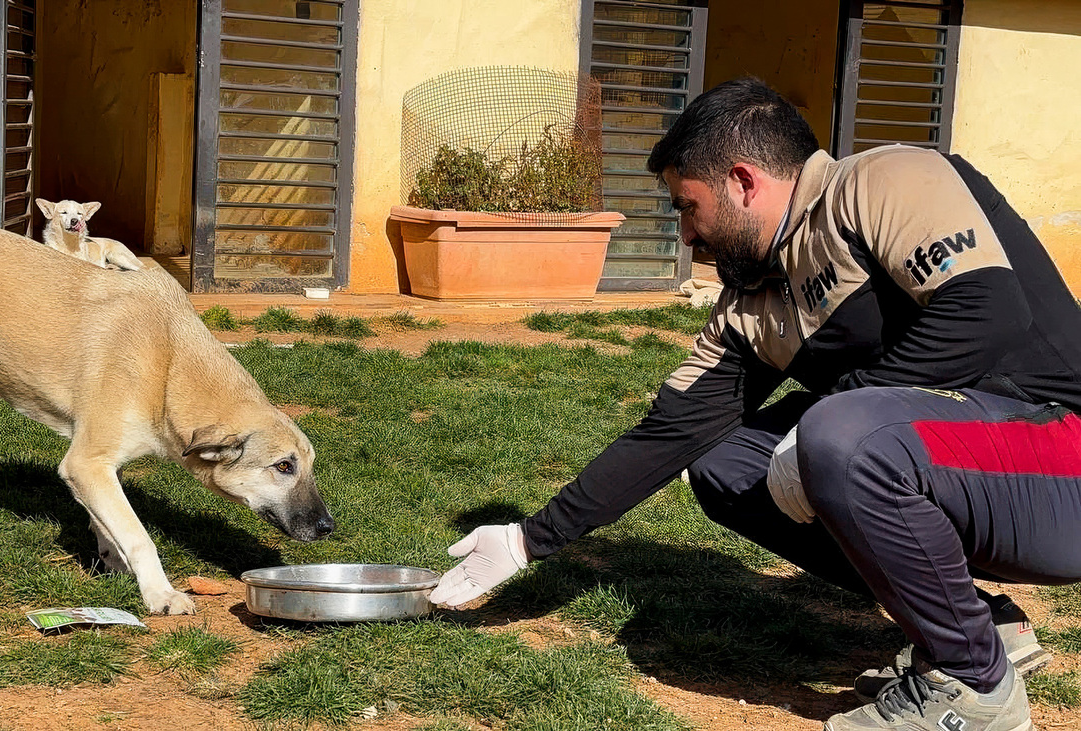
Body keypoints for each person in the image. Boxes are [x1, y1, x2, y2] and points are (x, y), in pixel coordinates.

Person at [428, 77, 1081, 731]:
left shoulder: (883, 180)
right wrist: (526, 540)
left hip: (1063, 463)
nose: (686, 235)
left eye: (689, 207)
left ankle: (977, 688)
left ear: (743, 181)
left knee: (837, 432)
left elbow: (988, 311)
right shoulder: (754, 301)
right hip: (957, 465)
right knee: (724, 460)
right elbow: (672, 431)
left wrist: (837, 421)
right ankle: (980, 627)